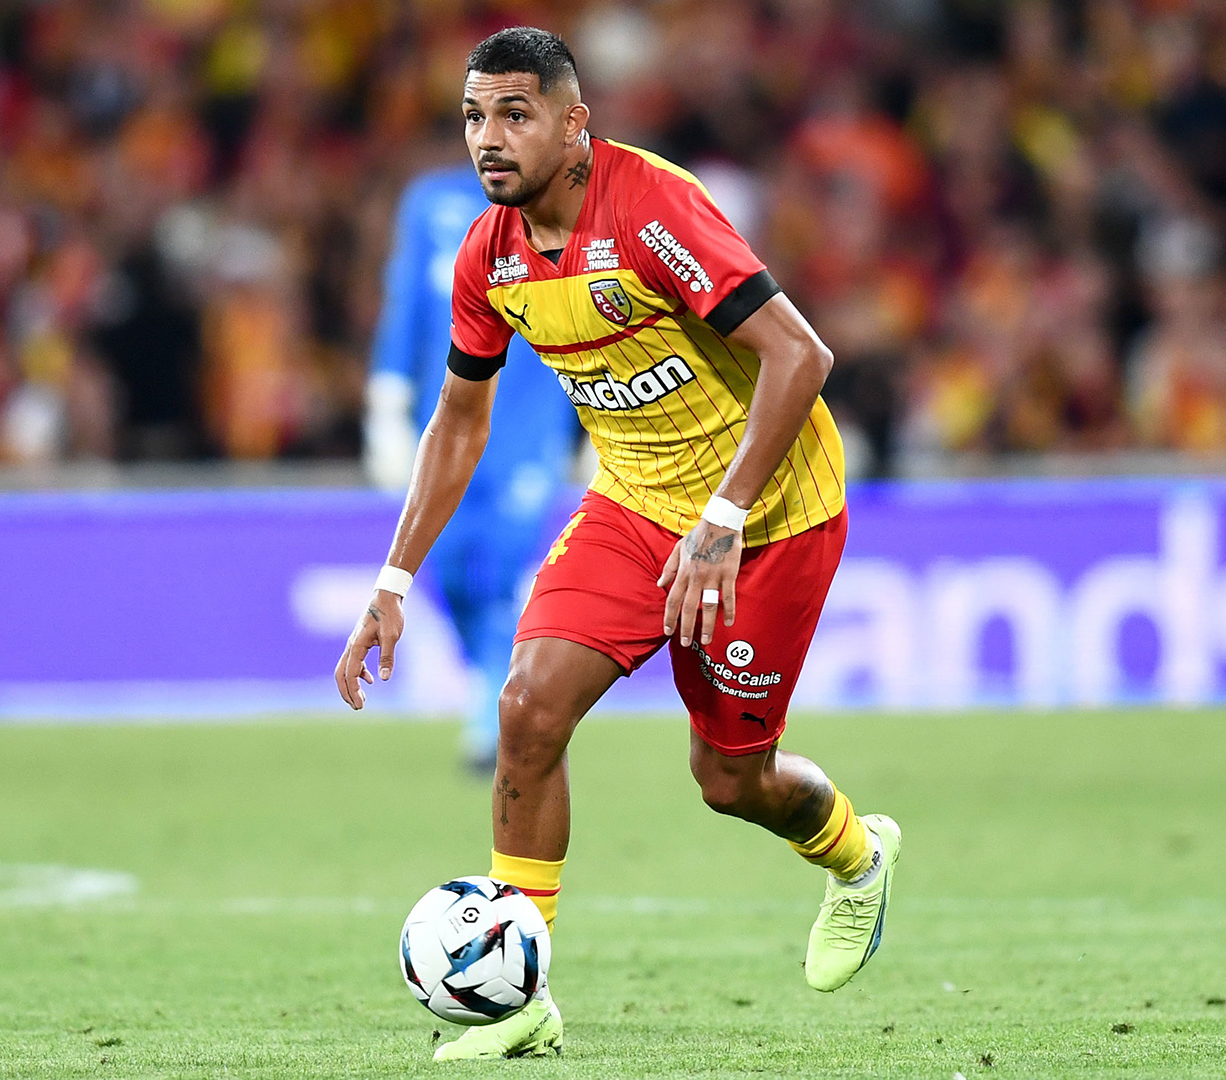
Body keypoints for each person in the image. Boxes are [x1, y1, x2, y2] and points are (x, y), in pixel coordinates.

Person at [334, 27, 901, 1061]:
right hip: (636, 507)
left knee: (731, 781)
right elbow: (460, 418)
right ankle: (518, 999)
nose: (488, 139)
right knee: (526, 709)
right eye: (473, 117)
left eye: (515, 114)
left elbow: (799, 355)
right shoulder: (489, 254)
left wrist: (725, 522)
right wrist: (394, 576)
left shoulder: (650, 210)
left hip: (768, 515)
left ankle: (858, 858)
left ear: (574, 123)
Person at [365, 157, 580, 773]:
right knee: (453, 571)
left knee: (506, 565)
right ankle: (492, 683)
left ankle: (492, 716)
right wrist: (386, 399)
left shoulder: (558, 205)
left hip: (529, 420)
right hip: (448, 416)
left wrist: (593, 423)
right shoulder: (429, 205)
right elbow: (406, 305)